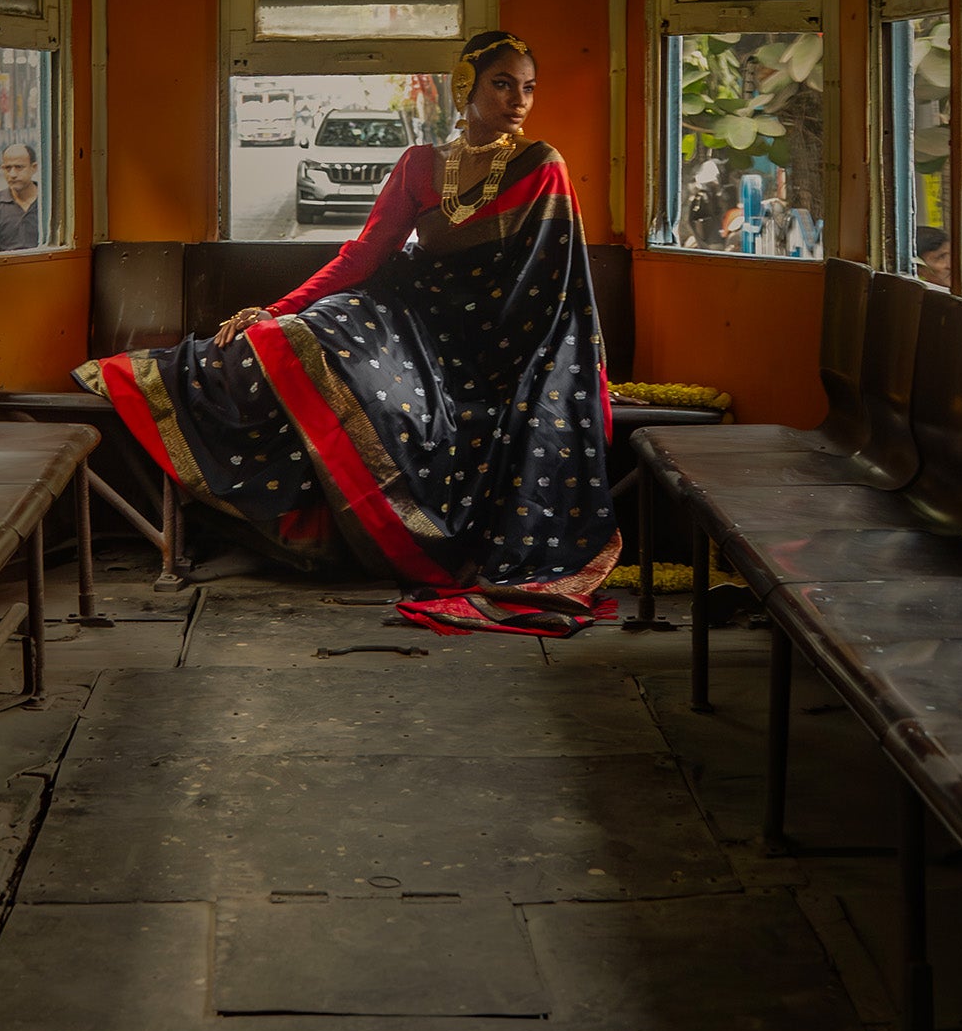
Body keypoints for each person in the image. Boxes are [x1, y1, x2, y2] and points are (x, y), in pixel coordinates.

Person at [77, 32, 620, 637]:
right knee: (301, 336)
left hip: (505, 348)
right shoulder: (421, 164)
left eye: (528, 88)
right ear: (464, 86)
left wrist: (571, 373)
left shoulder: (543, 165)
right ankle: (189, 417)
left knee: (389, 395)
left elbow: (560, 286)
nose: (519, 100)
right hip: (420, 321)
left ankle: (352, 538)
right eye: (502, 83)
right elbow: (364, 256)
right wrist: (275, 308)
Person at [0, 143, 40, 253]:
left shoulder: (49, 201)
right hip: (8, 268)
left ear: (33, 168)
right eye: (8, 168)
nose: (12, 174)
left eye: (19, 167)